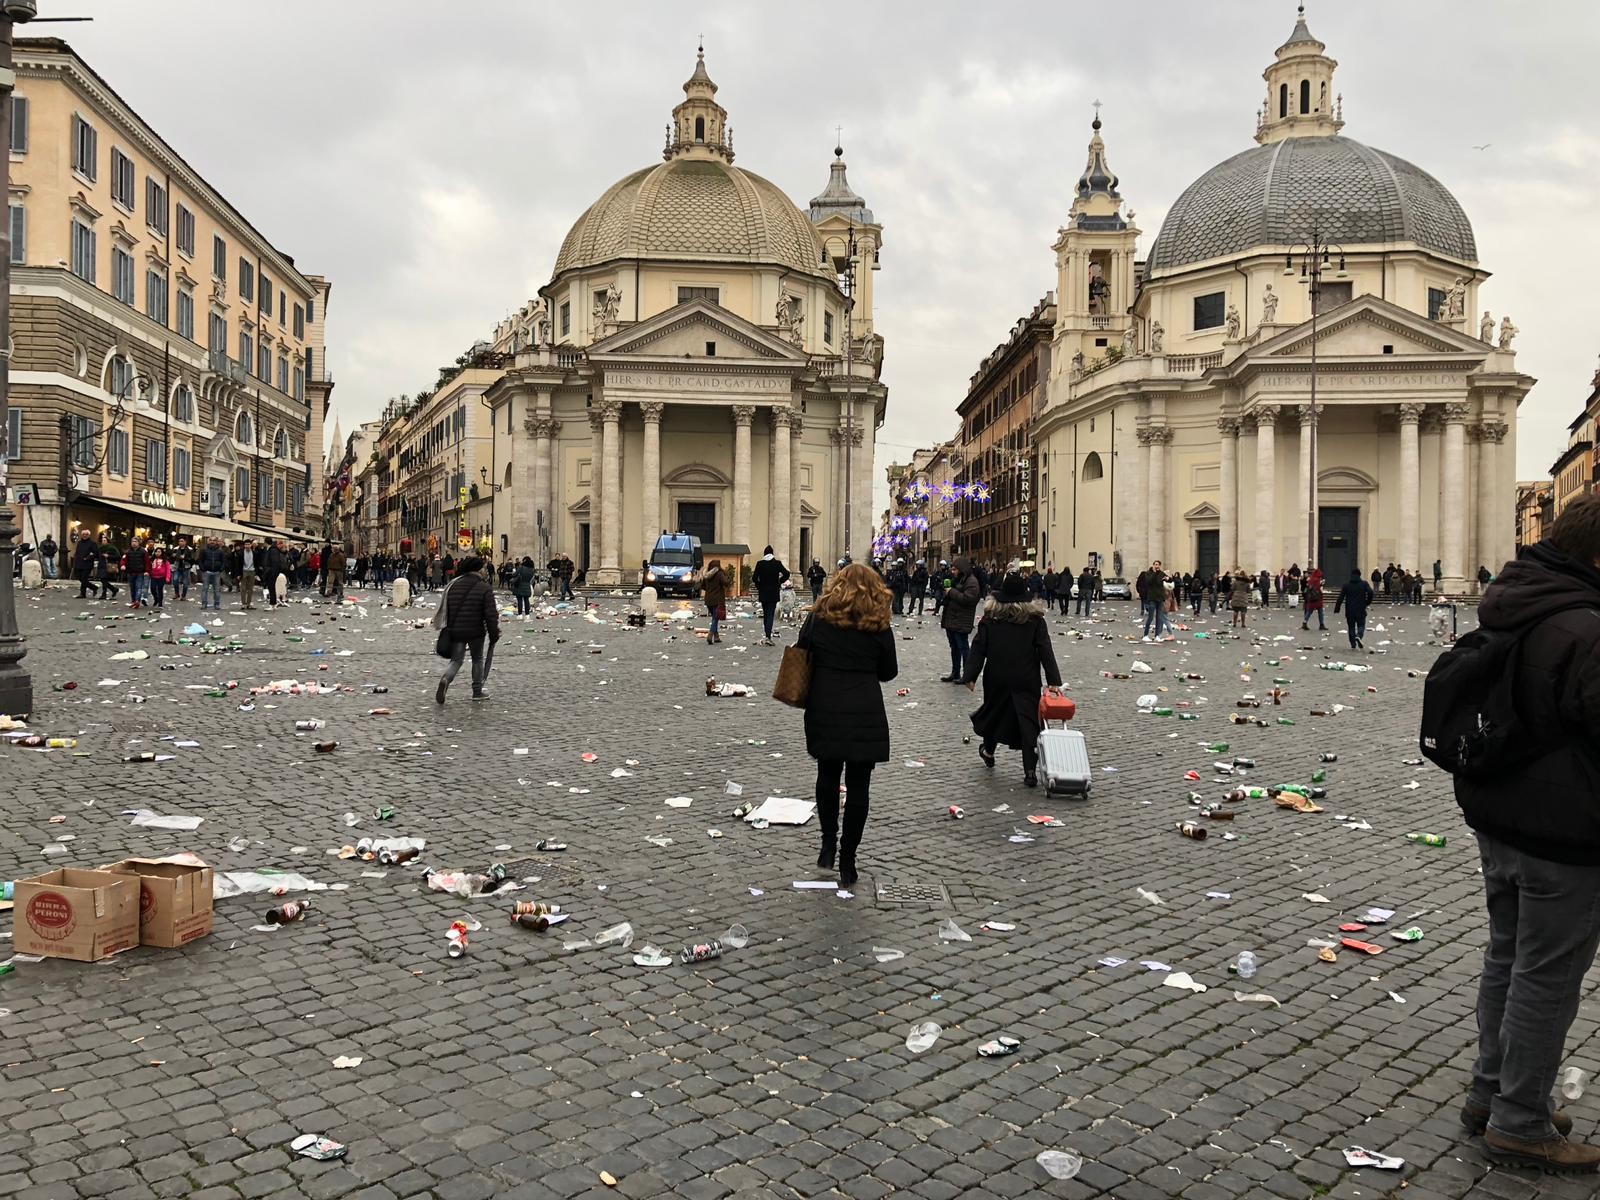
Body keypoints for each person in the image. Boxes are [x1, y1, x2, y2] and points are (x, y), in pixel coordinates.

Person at [1453, 495, 1600, 1171]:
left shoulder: (1515, 601)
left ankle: (1493, 1093)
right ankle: (1520, 1120)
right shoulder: (1587, 627)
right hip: (1564, 832)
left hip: (1502, 817)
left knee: (1508, 959)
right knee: (1548, 975)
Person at [796, 563, 897, 889]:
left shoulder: (819, 618)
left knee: (827, 775)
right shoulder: (878, 624)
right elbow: (888, 672)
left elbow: (801, 654)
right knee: (859, 788)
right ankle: (848, 860)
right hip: (864, 709)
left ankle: (828, 842)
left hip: (825, 704)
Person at [962, 570, 1062, 788]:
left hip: (997, 675)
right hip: (1026, 676)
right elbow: (1045, 649)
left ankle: (988, 751)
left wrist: (970, 675)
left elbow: (979, 648)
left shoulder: (991, 618)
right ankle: (1029, 771)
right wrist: (1053, 680)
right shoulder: (1034, 619)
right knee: (1028, 722)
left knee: (994, 713)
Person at [434, 555, 499, 703]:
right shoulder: (484, 587)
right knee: (477, 659)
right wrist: (494, 634)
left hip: (456, 630)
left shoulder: (453, 585)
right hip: (476, 631)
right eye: (483, 568)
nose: (484, 570)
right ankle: (477, 692)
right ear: (478, 570)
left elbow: (447, 610)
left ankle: (445, 679)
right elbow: (490, 614)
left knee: (456, 660)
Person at [939, 556, 981, 683]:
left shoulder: (971, 582)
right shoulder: (959, 579)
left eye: (954, 569)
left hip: (961, 619)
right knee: (954, 647)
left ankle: (967, 675)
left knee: (963, 647)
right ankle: (955, 672)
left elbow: (968, 599)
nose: (952, 571)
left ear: (961, 569)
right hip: (953, 619)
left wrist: (951, 592)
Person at [751, 546, 791, 645]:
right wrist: (779, 582)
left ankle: (767, 633)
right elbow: (786, 574)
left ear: (764, 553)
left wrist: (759, 585)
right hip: (773, 592)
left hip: (763, 592)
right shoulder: (777, 563)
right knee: (770, 614)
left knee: (766, 613)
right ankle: (768, 635)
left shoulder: (760, 564)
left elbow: (754, 577)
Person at [1332, 568, 1373, 650]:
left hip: (1350, 609)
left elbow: (1341, 597)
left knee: (1351, 626)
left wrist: (1337, 608)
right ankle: (1359, 636)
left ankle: (1353, 643)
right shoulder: (1364, 584)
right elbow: (1371, 592)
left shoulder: (1346, 585)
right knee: (1361, 625)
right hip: (1361, 608)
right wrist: (1367, 602)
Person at [1138, 560, 1169, 640]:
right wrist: (1155, 573)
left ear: (1160, 566)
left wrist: (1168, 578)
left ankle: (1157, 636)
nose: (1157, 566)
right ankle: (1145, 635)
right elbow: (1149, 581)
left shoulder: (1161, 573)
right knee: (1150, 617)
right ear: (1153, 565)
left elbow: (1167, 580)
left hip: (1160, 598)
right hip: (1152, 598)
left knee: (1159, 618)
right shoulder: (1148, 573)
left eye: (1158, 565)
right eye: (1155, 564)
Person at [700, 558, 727, 644]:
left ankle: (716, 637)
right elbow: (725, 582)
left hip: (708, 599)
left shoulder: (707, 575)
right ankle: (710, 634)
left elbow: (703, 586)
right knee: (716, 618)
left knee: (714, 617)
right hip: (717, 600)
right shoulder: (719, 574)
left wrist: (709, 588)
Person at [123, 537, 150, 609]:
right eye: (132, 542)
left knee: (138, 587)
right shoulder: (128, 552)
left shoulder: (143, 551)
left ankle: (137, 601)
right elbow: (124, 560)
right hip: (130, 572)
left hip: (140, 572)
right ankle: (133, 600)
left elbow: (147, 562)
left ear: (139, 543)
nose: (134, 543)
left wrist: (147, 571)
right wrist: (123, 565)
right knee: (132, 587)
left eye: (135, 541)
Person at [198, 538, 225, 610]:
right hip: (206, 572)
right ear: (208, 541)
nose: (212, 542)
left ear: (216, 542)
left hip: (216, 572)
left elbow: (223, 561)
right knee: (205, 588)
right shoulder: (204, 550)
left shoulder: (220, 551)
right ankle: (204, 603)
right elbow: (200, 560)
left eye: (214, 540)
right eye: (210, 540)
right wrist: (203, 569)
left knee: (216, 589)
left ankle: (217, 604)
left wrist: (221, 569)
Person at [73, 532, 99, 598]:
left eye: (86, 534)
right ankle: (94, 587)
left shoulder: (92, 543)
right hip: (79, 563)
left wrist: (88, 557)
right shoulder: (79, 543)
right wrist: (76, 560)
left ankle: (82, 593)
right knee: (79, 577)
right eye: (83, 534)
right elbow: (77, 552)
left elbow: (95, 553)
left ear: (89, 535)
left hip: (87, 564)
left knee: (84, 578)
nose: (84, 536)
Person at [1301, 567, 1326, 631]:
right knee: (1320, 611)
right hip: (1317, 598)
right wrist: (1321, 584)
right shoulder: (1317, 580)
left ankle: (1304, 622)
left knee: (1309, 611)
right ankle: (1321, 624)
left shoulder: (1311, 579)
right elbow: (1319, 589)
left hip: (1311, 598)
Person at [240, 542, 258, 609]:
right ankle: (243, 604)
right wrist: (238, 574)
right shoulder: (241, 553)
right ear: (244, 545)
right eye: (246, 544)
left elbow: (257, 562)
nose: (247, 546)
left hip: (252, 571)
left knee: (250, 588)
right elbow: (237, 563)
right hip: (243, 571)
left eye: (248, 544)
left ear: (251, 545)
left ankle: (248, 604)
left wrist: (257, 572)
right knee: (243, 588)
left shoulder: (255, 553)